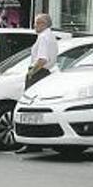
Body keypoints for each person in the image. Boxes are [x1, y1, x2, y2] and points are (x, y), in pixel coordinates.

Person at [15, 13, 58, 154]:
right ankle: (35, 141)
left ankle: (31, 142)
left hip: (39, 73)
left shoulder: (44, 37)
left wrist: (31, 72)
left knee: (30, 107)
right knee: (37, 108)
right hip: (46, 72)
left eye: (36, 23)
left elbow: (42, 59)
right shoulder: (50, 36)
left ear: (43, 24)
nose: (34, 26)